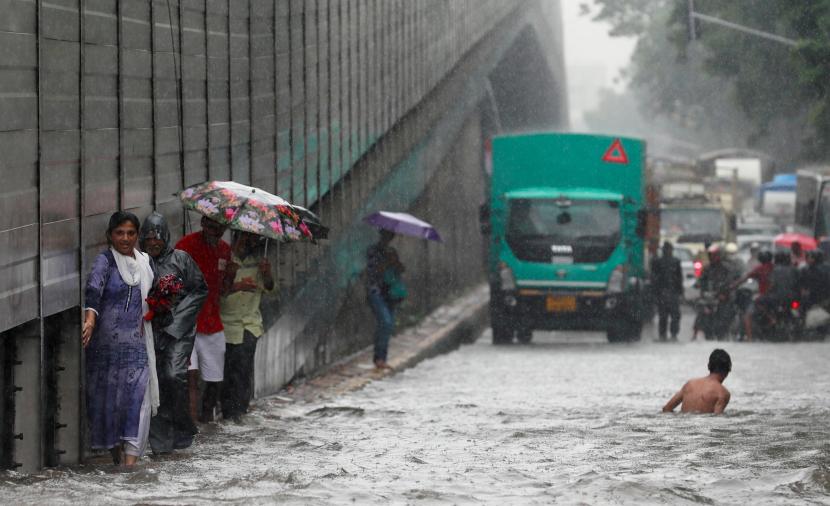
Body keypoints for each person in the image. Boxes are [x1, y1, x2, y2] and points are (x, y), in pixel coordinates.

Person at [82, 211, 159, 466]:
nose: (125, 238)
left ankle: (130, 468)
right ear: (110, 235)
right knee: (112, 408)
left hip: (138, 349)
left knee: (140, 402)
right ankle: (119, 466)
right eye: (119, 233)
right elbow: (93, 290)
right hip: (106, 352)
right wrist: (90, 320)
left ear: (137, 236)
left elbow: (156, 298)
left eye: (130, 233)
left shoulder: (146, 262)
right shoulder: (105, 261)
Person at [140, 212, 208, 453]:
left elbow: (200, 290)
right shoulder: (140, 262)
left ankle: (182, 426)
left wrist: (176, 322)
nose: (154, 243)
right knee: (155, 381)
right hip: (151, 329)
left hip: (179, 330)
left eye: (158, 238)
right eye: (148, 239)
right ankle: (160, 440)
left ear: (166, 237)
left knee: (173, 375)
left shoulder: (181, 259)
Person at [176, 216, 233, 423]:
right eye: (211, 226)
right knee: (190, 376)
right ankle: (191, 426)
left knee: (214, 379)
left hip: (212, 324)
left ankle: (207, 421)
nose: (214, 232)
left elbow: (224, 292)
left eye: (219, 228)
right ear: (202, 223)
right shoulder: (185, 246)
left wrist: (231, 277)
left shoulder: (225, 251)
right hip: (188, 323)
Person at [220, 231, 275, 422]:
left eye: (252, 239)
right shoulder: (225, 259)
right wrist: (231, 277)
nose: (248, 242)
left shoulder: (260, 262)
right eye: (244, 238)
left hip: (250, 324)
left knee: (243, 368)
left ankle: (240, 411)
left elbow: (269, 288)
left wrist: (267, 274)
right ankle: (228, 413)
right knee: (228, 371)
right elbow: (218, 292)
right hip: (227, 324)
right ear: (237, 238)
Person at [366, 230, 406, 369]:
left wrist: (396, 262)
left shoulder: (392, 251)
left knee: (388, 325)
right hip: (376, 292)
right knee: (385, 321)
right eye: (387, 235)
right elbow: (373, 271)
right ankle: (378, 358)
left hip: (390, 293)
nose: (389, 238)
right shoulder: (373, 251)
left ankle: (381, 357)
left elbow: (400, 270)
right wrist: (386, 262)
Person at [662, 349, 731, 414]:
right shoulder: (722, 393)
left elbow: (666, 409)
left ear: (708, 366)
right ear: (727, 371)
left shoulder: (690, 384)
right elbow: (717, 420)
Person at [728, 250, 774, 341]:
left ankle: (750, 338)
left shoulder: (760, 269)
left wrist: (732, 286)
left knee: (747, 316)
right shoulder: (774, 268)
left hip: (764, 297)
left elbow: (744, 278)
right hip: (775, 296)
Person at [650, 242, 683, 340]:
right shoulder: (670, 262)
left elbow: (679, 278)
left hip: (666, 292)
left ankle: (666, 334)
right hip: (668, 292)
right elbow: (679, 278)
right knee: (669, 315)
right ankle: (669, 334)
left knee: (666, 315)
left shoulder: (661, 262)